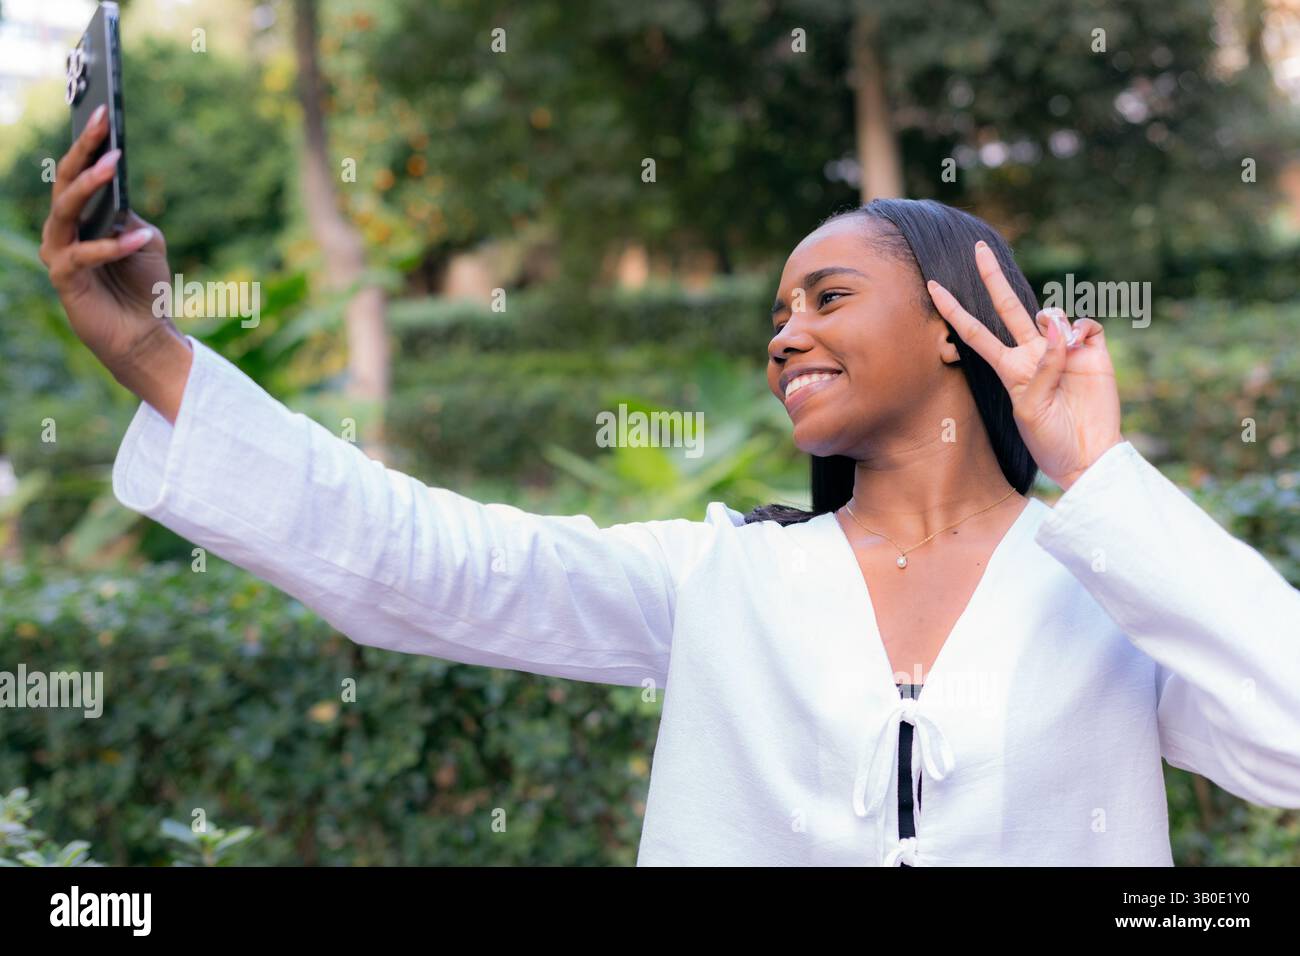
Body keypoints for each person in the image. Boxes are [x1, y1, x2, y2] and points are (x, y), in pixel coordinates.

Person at [39, 104, 1300, 866]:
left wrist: (1099, 475)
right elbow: (414, 562)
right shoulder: (721, 576)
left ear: (954, 321)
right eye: (776, 311)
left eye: (827, 296)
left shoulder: (1105, 592)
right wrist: (151, 349)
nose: (784, 333)